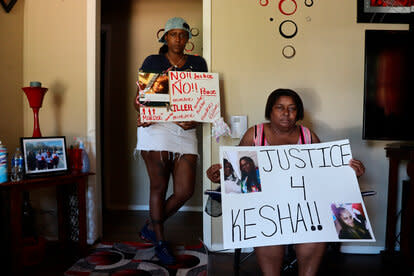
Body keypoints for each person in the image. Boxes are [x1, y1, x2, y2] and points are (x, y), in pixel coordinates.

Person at [206, 88, 365, 276]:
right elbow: (237, 172)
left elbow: (325, 174)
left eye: (292, 108)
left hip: (303, 209)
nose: (286, 113)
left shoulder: (308, 136)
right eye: (280, 107)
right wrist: (219, 174)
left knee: (314, 237)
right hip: (264, 209)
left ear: (298, 112)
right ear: (270, 111)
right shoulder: (255, 134)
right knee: (268, 237)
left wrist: (351, 173)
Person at [134, 17, 208, 265]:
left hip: (186, 129)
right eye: (173, 34)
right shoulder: (152, 61)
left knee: (185, 191)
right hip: (157, 127)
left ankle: (150, 227)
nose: (178, 38)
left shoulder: (198, 64)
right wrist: (142, 113)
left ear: (188, 39)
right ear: (165, 37)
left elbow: (203, 98)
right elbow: (140, 98)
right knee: (159, 186)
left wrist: (196, 121)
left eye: (182, 34)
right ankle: (160, 241)